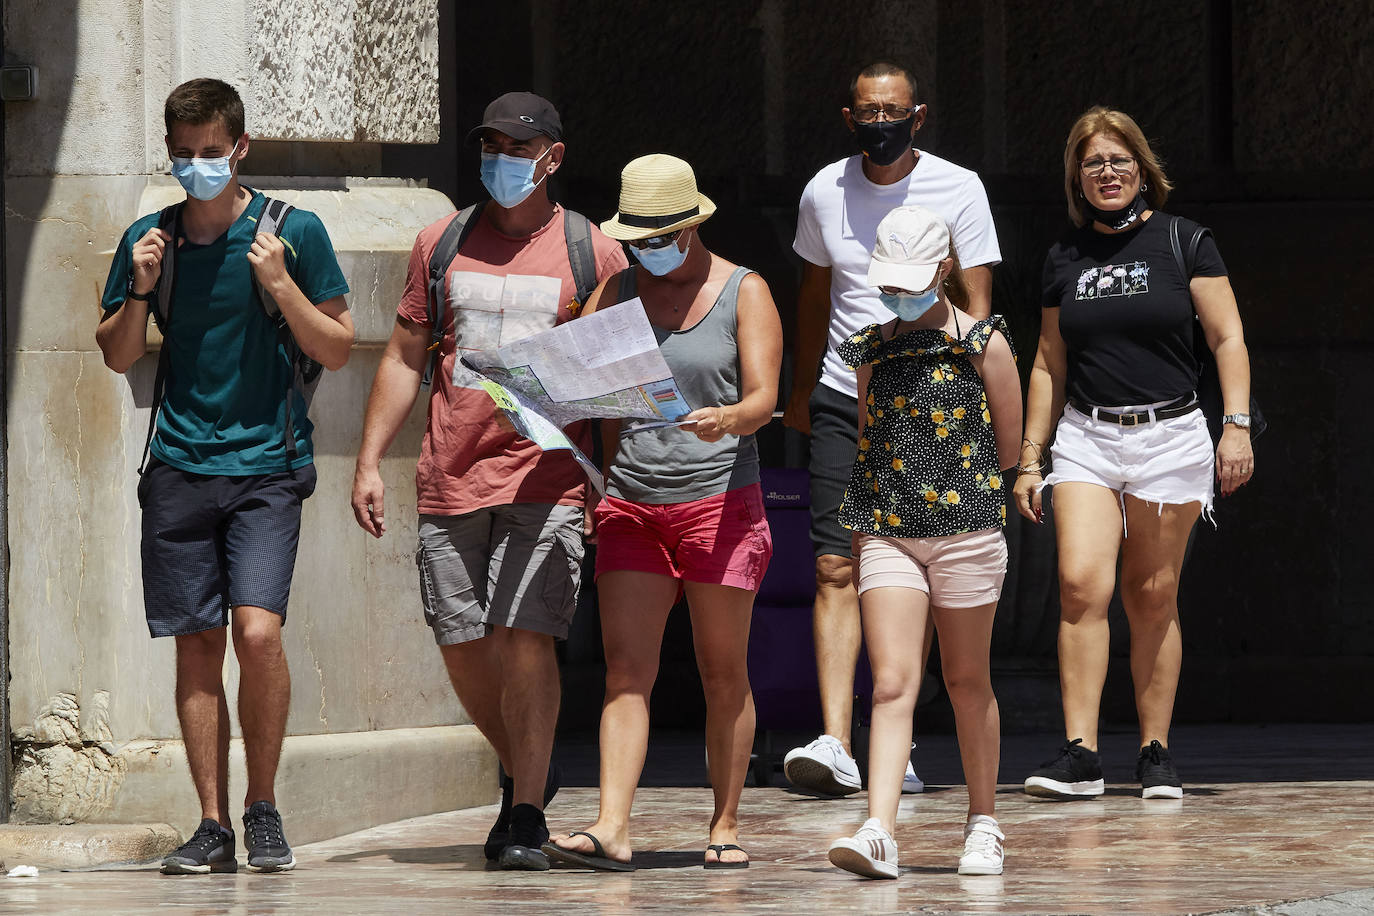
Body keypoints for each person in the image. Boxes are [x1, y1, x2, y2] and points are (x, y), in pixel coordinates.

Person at [349, 92, 628, 870]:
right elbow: (406, 356)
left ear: (553, 158)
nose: (502, 159)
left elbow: (615, 376)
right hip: (451, 474)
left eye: (518, 147)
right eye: (491, 145)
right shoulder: (438, 242)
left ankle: (528, 811)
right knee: (461, 640)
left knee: (525, 637)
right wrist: (370, 459)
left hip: (549, 480)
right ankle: (524, 763)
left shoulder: (591, 251)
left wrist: (610, 484)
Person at [96, 78, 353, 874]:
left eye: (211, 153)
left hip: (266, 469)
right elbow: (115, 352)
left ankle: (262, 806)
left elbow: (339, 346)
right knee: (197, 645)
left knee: (258, 631)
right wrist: (139, 289)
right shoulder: (151, 237)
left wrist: (279, 283)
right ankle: (212, 823)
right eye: (183, 155)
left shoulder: (294, 231)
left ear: (241, 148)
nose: (197, 167)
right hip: (177, 467)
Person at [543, 154, 781, 871]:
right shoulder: (616, 291)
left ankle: (726, 823)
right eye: (637, 238)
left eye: (659, 236)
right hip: (632, 505)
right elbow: (577, 387)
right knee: (626, 671)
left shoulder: (745, 291)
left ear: (691, 226)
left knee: (721, 671)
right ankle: (613, 825)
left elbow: (766, 398)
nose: (648, 251)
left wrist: (731, 417)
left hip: (720, 501)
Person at [1013, 107, 1255, 800]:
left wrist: (1233, 426)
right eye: (1093, 164)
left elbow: (1227, 338)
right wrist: (1032, 456)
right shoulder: (1063, 256)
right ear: (1076, 179)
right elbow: (1048, 361)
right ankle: (1082, 753)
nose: (1108, 173)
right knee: (1081, 587)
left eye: (1119, 161)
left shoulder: (1186, 242)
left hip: (1169, 437)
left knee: (1152, 594)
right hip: (1087, 437)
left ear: (1143, 169)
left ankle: (1155, 750)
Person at [782, 60, 1002, 796]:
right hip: (850, 391)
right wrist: (804, 385)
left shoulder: (958, 186)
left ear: (920, 114)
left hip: (934, 401)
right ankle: (838, 739)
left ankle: (893, 730)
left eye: (895, 111)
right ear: (849, 117)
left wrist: (972, 390)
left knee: (924, 565)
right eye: (869, 112)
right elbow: (817, 292)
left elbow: (976, 292)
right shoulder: (824, 190)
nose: (883, 123)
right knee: (834, 563)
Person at [824, 206, 1020, 879]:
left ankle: (983, 821)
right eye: (888, 282)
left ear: (944, 270)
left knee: (967, 680)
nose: (898, 294)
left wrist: (951, 490)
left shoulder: (984, 341)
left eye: (911, 280)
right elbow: (868, 436)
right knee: (890, 684)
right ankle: (878, 827)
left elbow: (1010, 445)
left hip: (967, 529)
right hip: (887, 530)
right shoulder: (871, 345)